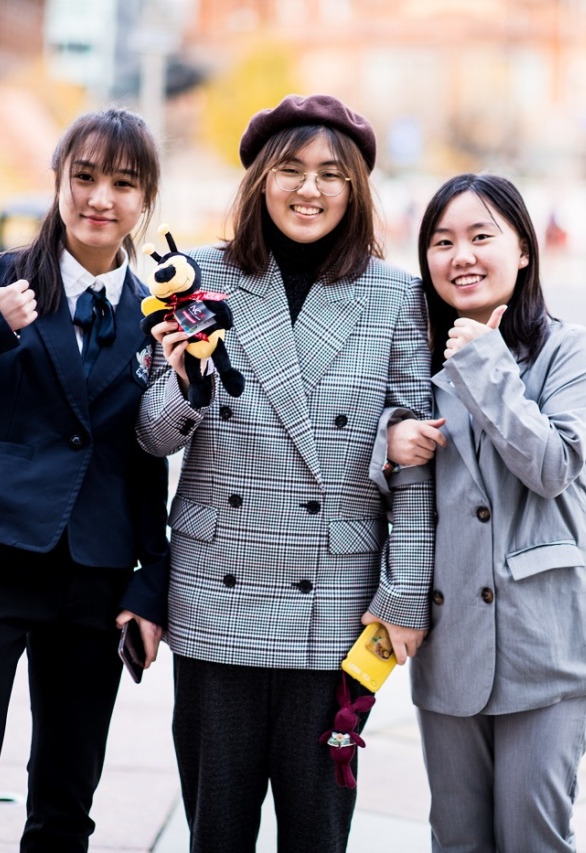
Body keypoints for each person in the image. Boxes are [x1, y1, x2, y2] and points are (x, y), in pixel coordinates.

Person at [118, 93, 435, 853]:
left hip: (336, 606)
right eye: (290, 169)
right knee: (216, 831)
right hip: (214, 595)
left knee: (318, 834)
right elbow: (151, 436)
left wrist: (405, 594)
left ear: (356, 189)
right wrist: (186, 379)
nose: (310, 188)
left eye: (333, 173)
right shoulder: (195, 274)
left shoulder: (397, 298)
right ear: (260, 179)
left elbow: (420, 464)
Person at [0, 107, 169, 852]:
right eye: (83, 177)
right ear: (57, 181)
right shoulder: (0, 277)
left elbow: (151, 456)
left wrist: (151, 586)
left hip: (96, 578)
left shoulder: (155, 313)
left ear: (145, 200)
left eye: (123, 182)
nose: (99, 198)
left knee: (66, 799)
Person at [388, 173, 586, 852]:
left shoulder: (567, 351)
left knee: (532, 836)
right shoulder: (415, 358)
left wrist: (487, 360)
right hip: (450, 638)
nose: (460, 254)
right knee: (457, 838)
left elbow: (551, 466)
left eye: (480, 236)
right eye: (442, 241)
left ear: (524, 249)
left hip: (547, 640)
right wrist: (388, 442)